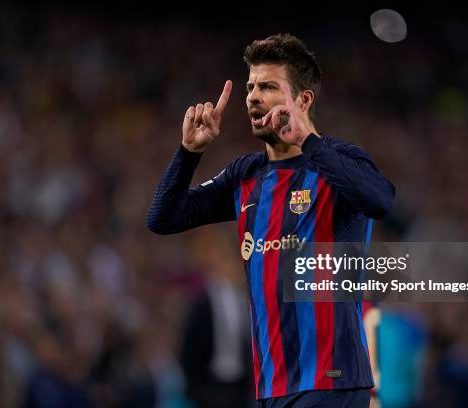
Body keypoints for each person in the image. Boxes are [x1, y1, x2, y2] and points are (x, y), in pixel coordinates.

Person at [147, 33, 395, 408]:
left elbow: (380, 201)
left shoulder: (339, 160)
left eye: (267, 87)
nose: (252, 97)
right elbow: (163, 218)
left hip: (332, 381)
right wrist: (188, 153)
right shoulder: (245, 175)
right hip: (271, 388)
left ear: (303, 99)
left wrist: (309, 143)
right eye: (250, 87)